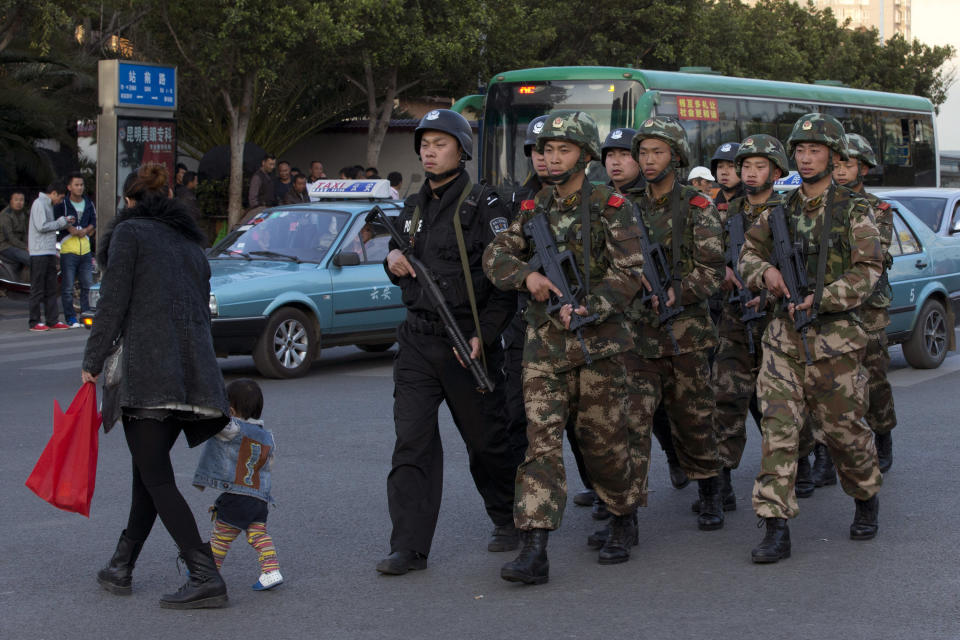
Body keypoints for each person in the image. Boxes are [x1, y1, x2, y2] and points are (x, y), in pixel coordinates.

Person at [485, 110, 645, 583]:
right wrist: (527, 276)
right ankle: (535, 548)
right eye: (544, 151)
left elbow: (630, 272)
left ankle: (622, 515)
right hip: (546, 347)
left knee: (604, 445)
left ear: (584, 156)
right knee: (541, 446)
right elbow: (496, 255)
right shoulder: (533, 208)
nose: (551, 160)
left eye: (563, 151)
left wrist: (590, 307)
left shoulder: (612, 206)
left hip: (602, 346)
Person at [376, 109, 520, 576]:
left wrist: (485, 336)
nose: (429, 151)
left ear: (462, 149)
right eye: (424, 144)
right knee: (411, 444)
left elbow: (504, 286)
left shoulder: (485, 206)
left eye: (440, 143)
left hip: (468, 342)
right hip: (418, 340)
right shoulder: (413, 206)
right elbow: (399, 253)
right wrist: (392, 257)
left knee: (487, 443)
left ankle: (507, 517)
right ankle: (409, 547)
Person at [83, 164, 231, 607]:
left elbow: (112, 303)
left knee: (156, 476)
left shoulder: (130, 235)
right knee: (147, 473)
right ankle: (121, 564)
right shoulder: (189, 243)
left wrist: (92, 360)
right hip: (194, 374)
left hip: (149, 372)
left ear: (129, 203)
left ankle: (204, 572)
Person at [740, 113, 883, 563]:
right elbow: (747, 254)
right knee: (778, 432)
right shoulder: (779, 211)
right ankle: (775, 526)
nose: (806, 158)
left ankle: (865, 497)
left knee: (846, 435)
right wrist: (765, 273)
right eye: (800, 151)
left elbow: (869, 272)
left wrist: (823, 298)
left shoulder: (855, 211)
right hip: (783, 340)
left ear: (834, 156)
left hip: (835, 343)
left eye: (815, 151)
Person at [624, 116, 726, 534]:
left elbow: (713, 270)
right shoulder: (624, 206)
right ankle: (623, 513)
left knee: (695, 420)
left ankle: (711, 493)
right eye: (643, 153)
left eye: (658, 152)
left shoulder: (697, 206)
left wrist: (677, 293)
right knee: (630, 424)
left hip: (685, 334)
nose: (648, 161)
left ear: (677, 157)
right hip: (636, 335)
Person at [700, 134, 786, 513]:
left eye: (759, 166)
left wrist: (768, 288)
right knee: (725, 400)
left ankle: (801, 464)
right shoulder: (727, 212)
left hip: (779, 320)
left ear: (776, 171)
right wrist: (723, 274)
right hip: (734, 319)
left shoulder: (790, 211)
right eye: (745, 166)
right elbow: (707, 256)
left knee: (781, 405)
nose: (749, 174)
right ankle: (721, 487)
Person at [810, 132, 896, 479]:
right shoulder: (817, 204)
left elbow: (880, 253)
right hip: (830, 309)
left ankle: (883, 435)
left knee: (873, 381)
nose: (842, 170)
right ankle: (826, 457)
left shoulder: (877, 208)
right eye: (839, 162)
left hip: (868, 309)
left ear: (864, 168)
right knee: (826, 385)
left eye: (849, 163)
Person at [193, 378, 282, 591]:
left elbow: (214, 422)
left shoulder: (232, 428)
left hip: (236, 496)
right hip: (259, 499)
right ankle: (272, 570)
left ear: (231, 410)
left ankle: (209, 571)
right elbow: (269, 465)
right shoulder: (268, 436)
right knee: (258, 535)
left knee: (221, 537)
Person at [28, 181, 71, 331]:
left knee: (51, 288)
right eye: (60, 198)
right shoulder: (39, 203)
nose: (60, 201)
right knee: (37, 288)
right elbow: (42, 226)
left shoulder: (48, 205)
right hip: (39, 252)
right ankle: (34, 321)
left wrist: (63, 223)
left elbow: (48, 226)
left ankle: (52, 320)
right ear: (53, 193)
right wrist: (60, 223)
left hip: (49, 250)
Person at [55, 173, 96, 327]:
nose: (80, 188)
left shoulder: (88, 203)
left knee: (87, 285)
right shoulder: (63, 204)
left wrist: (87, 230)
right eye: (77, 185)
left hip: (85, 251)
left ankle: (86, 316)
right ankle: (70, 318)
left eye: (82, 185)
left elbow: (94, 221)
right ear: (69, 187)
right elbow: (57, 222)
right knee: (67, 287)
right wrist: (70, 228)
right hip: (68, 251)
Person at [0, 190, 30, 272]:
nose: (19, 202)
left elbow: (25, 233)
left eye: (21, 200)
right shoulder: (5, 215)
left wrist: (28, 245)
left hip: (19, 245)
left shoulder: (23, 214)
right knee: (29, 258)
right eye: (16, 200)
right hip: (6, 246)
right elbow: (10, 237)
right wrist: (25, 247)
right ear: (11, 201)